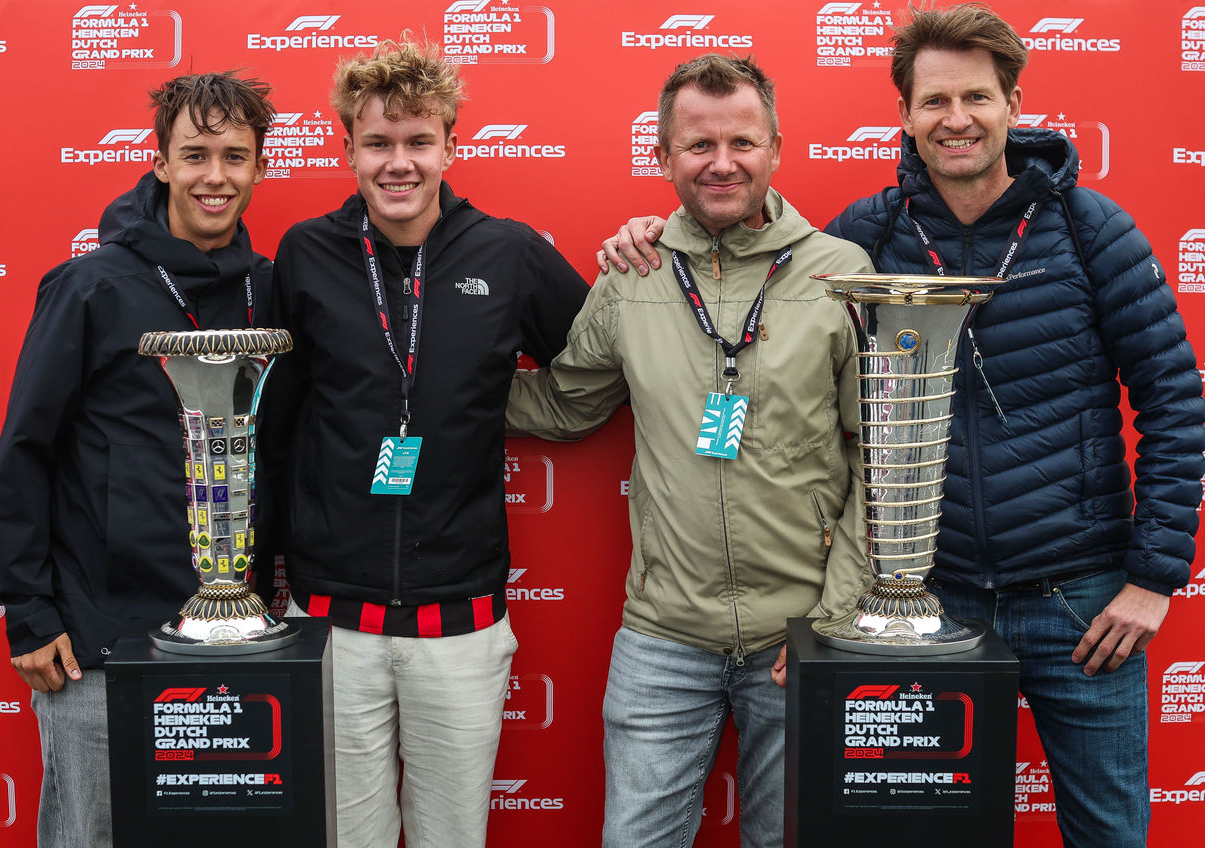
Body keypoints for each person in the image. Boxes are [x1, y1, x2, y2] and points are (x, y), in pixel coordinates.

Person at [601, 6, 1205, 847]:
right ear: (905, 115)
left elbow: (1174, 396)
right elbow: (755, 266)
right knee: (915, 833)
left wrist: (1153, 577)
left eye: (977, 97)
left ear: (1012, 103)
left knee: (1110, 832)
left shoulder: (1088, 229)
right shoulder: (865, 240)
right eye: (934, 101)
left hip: (1079, 599)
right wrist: (646, 235)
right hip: (925, 597)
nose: (956, 119)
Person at [504, 54, 873, 848]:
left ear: (776, 147)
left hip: (799, 633)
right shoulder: (634, 274)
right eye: (698, 145)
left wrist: (831, 618)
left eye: (742, 142)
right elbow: (567, 404)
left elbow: (879, 458)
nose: (722, 163)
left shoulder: (842, 274)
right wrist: (438, 387)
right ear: (664, 156)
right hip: (662, 637)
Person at [260, 38, 588, 848]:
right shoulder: (306, 253)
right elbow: (275, 419)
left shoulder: (508, 253)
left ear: (450, 143)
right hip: (332, 619)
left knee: (452, 837)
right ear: (348, 149)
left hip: (461, 624)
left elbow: (599, 367)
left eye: (417, 141)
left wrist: (494, 400)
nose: (398, 163)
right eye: (377, 143)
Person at [0, 72, 276, 846]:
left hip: (235, 647)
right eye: (195, 155)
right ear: (161, 163)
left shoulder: (270, 294)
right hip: (101, 645)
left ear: (260, 167)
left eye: (235, 157)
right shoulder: (90, 286)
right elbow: (23, 453)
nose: (216, 177)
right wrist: (29, 611)